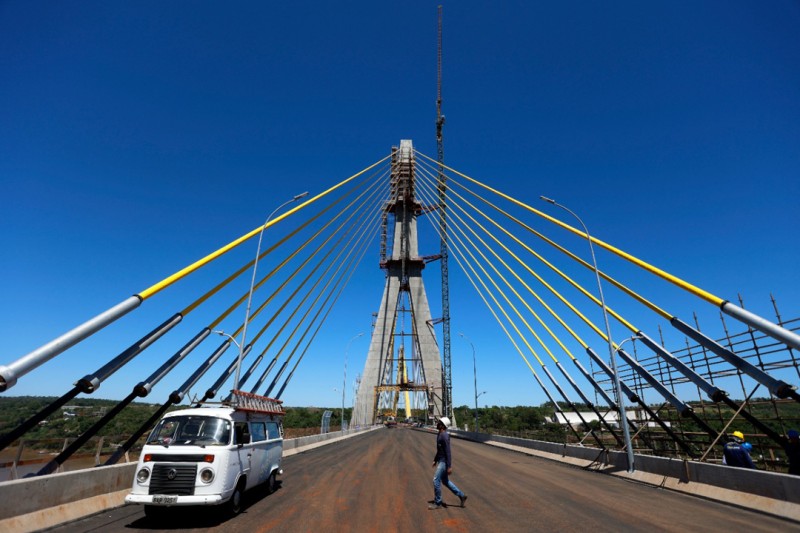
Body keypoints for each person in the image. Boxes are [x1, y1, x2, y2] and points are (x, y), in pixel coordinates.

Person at [429, 416, 467, 510]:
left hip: (444, 462)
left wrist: (449, 466)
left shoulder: (444, 436)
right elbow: (439, 450)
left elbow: (448, 452)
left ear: (442, 426)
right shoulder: (439, 434)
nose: (437, 424)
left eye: (439, 423)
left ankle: (438, 503)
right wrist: (435, 459)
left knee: (436, 480)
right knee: (445, 481)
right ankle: (461, 495)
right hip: (441, 460)